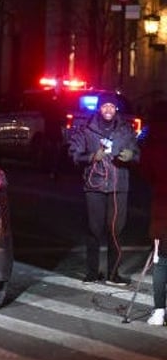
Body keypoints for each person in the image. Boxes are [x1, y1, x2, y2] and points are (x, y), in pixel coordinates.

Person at [68, 91, 140, 284]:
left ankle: (113, 274)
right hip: (95, 185)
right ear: (99, 108)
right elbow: (74, 154)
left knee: (116, 230)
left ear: (116, 109)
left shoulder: (125, 130)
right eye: (104, 106)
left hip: (118, 186)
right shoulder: (86, 129)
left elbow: (138, 154)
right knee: (94, 229)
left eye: (111, 106)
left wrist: (130, 155)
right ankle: (92, 273)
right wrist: (92, 157)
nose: (108, 110)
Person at [140, 102, 167, 325]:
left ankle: (159, 311)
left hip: (162, 212)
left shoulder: (153, 145)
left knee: (161, 262)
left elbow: (146, 174)